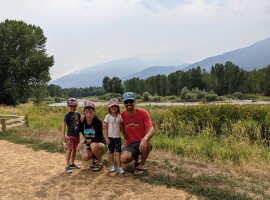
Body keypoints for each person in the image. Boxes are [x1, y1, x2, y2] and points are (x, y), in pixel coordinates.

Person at [120, 92, 155, 175]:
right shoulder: (121, 116)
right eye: (126, 102)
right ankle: (136, 160)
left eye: (131, 101)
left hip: (142, 142)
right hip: (130, 144)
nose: (129, 104)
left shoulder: (143, 113)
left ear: (134, 102)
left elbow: (151, 129)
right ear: (124, 103)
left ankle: (141, 165)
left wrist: (145, 138)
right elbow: (113, 122)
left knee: (147, 143)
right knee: (123, 159)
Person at [76, 101, 107, 172]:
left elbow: (96, 138)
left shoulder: (97, 122)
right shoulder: (82, 122)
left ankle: (100, 162)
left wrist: (83, 141)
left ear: (94, 112)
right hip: (90, 145)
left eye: (91, 109)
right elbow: (76, 130)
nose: (89, 110)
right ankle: (94, 159)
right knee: (85, 156)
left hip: (101, 144)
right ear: (84, 111)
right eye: (87, 108)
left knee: (93, 145)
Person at [103, 98, 125, 174]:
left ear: (118, 107)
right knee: (111, 152)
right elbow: (105, 128)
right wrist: (106, 138)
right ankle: (112, 165)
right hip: (110, 137)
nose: (114, 108)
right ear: (109, 108)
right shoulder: (107, 117)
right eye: (112, 107)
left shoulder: (119, 117)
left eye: (115, 106)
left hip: (117, 137)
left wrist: (125, 135)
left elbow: (121, 127)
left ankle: (119, 166)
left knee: (118, 152)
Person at [62, 98, 81, 173]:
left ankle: (72, 163)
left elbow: (80, 123)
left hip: (77, 136)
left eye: (74, 106)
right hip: (70, 136)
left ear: (76, 105)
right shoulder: (67, 115)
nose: (73, 107)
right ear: (68, 106)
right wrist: (64, 136)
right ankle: (67, 166)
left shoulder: (78, 114)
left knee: (74, 150)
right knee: (69, 150)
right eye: (71, 106)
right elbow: (63, 125)